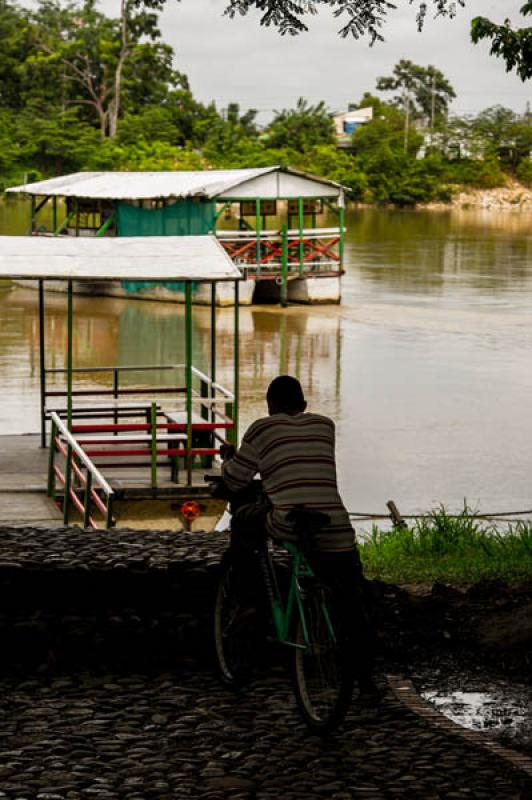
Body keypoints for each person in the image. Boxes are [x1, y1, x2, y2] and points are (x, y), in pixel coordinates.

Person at [220, 374, 378, 695]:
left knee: (244, 520)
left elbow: (236, 481)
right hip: (335, 525)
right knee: (351, 601)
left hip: (289, 520)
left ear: (269, 406)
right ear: (304, 405)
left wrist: (228, 460)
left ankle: (250, 602)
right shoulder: (325, 426)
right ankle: (365, 680)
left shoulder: (262, 429)